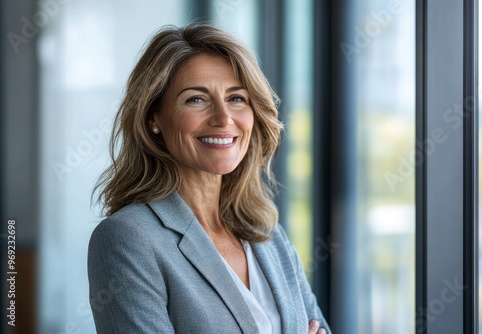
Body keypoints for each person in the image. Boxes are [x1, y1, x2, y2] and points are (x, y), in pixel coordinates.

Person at [88, 23, 331, 334]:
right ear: (153, 118)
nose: (223, 118)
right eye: (196, 99)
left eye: (237, 98)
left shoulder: (268, 236)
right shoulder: (128, 238)